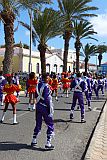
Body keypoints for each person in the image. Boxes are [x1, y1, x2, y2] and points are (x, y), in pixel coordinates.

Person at [31, 74, 54, 149]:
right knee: (50, 124)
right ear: (44, 78)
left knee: (38, 122)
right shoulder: (47, 87)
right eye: (47, 78)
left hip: (38, 106)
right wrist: (50, 109)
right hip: (45, 107)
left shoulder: (38, 85)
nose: (48, 79)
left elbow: (36, 94)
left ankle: (34, 139)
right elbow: (47, 99)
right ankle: (48, 143)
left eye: (49, 78)